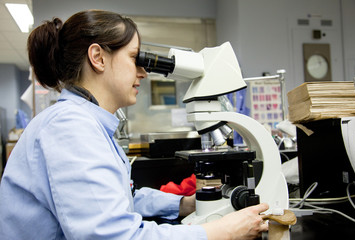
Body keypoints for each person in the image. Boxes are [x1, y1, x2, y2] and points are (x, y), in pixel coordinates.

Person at [0, 9, 269, 240]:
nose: (142, 72)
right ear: (98, 57)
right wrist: (220, 232)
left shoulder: (84, 121)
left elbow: (117, 199)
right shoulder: (70, 127)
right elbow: (114, 235)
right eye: (134, 58)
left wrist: (183, 204)